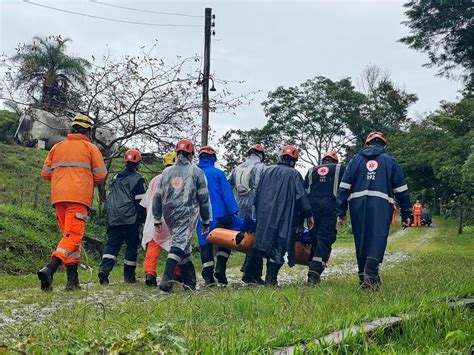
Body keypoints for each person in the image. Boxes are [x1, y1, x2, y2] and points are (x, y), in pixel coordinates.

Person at [38, 114, 107, 291]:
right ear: (88, 131)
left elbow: (45, 173)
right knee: (74, 236)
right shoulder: (91, 148)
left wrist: (62, 180)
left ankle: (72, 282)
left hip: (59, 198)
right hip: (78, 198)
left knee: (69, 238)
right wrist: (84, 181)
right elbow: (101, 174)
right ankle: (50, 268)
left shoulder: (57, 147)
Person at [337, 131, 411, 290]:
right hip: (381, 204)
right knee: (377, 237)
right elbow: (401, 190)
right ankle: (370, 278)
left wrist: (341, 212)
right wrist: (406, 214)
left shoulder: (355, 160)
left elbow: (343, 188)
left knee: (361, 238)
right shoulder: (390, 161)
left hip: (357, 205)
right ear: (384, 145)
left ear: (367, 144)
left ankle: (363, 277)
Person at [247, 145, 314, 286]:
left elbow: (257, 194)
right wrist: (308, 214)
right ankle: (271, 280)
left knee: (261, 244)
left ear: (281, 157)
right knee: (279, 247)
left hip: (264, 216)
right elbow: (301, 197)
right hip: (284, 218)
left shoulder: (267, 171)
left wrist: (257, 214)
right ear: (294, 160)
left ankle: (251, 275)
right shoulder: (294, 174)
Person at [153, 139, 211, 292]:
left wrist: (157, 217)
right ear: (191, 154)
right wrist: (206, 219)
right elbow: (204, 198)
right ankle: (166, 278)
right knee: (179, 243)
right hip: (187, 211)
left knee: (184, 246)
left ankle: (189, 282)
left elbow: (157, 196)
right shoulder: (196, 171)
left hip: (168, 214)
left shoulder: (166, 172)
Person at [98, 149, 146, 285]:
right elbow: (141, 203)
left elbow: (109, 197)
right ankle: (129, 277)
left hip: (114, 219)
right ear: (138, 163)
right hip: (131, 220)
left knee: (112, 245)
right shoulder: (138, 180)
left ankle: (104, 270)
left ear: (125, 161)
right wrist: (142, 220)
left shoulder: (115, 178)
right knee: (131, 247)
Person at [196, 146, 240, 286]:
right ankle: (220, 268)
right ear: (213, 158)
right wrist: (234, 211)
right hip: (221, 214)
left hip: (200, 216)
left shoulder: (194, 173)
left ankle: (208, 277)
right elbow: (227, 195)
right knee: (225, 241)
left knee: (205, 244)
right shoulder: (218, 173)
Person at [304, 151, 345, 284]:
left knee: (314, 238)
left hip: (312, 209)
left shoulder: (311, 171)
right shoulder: (340, 169)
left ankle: (313, 269)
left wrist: (306, 214)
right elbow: (345, 189)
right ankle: (314, 274)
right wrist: (342, 212)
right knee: (325, 239)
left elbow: (304, 192)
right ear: (335, 161)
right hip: (330, 208)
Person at [140, 152, 180, 287]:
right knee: (175, 245)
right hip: (171, 217)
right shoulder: (178, 178)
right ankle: (177, 273)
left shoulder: (154, 180)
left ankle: (150, 273)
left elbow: (146, 202)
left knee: (154, 244)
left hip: (154, 217)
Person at [229, 144, 266, 284]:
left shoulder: (237, 168)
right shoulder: (261, 167)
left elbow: (228, 184)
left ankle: (248, 271)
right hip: (255, 208)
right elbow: (260, 188)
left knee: (249, 239)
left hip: (240, 208)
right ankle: (252, 274)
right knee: (257, 240)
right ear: (261, 154)